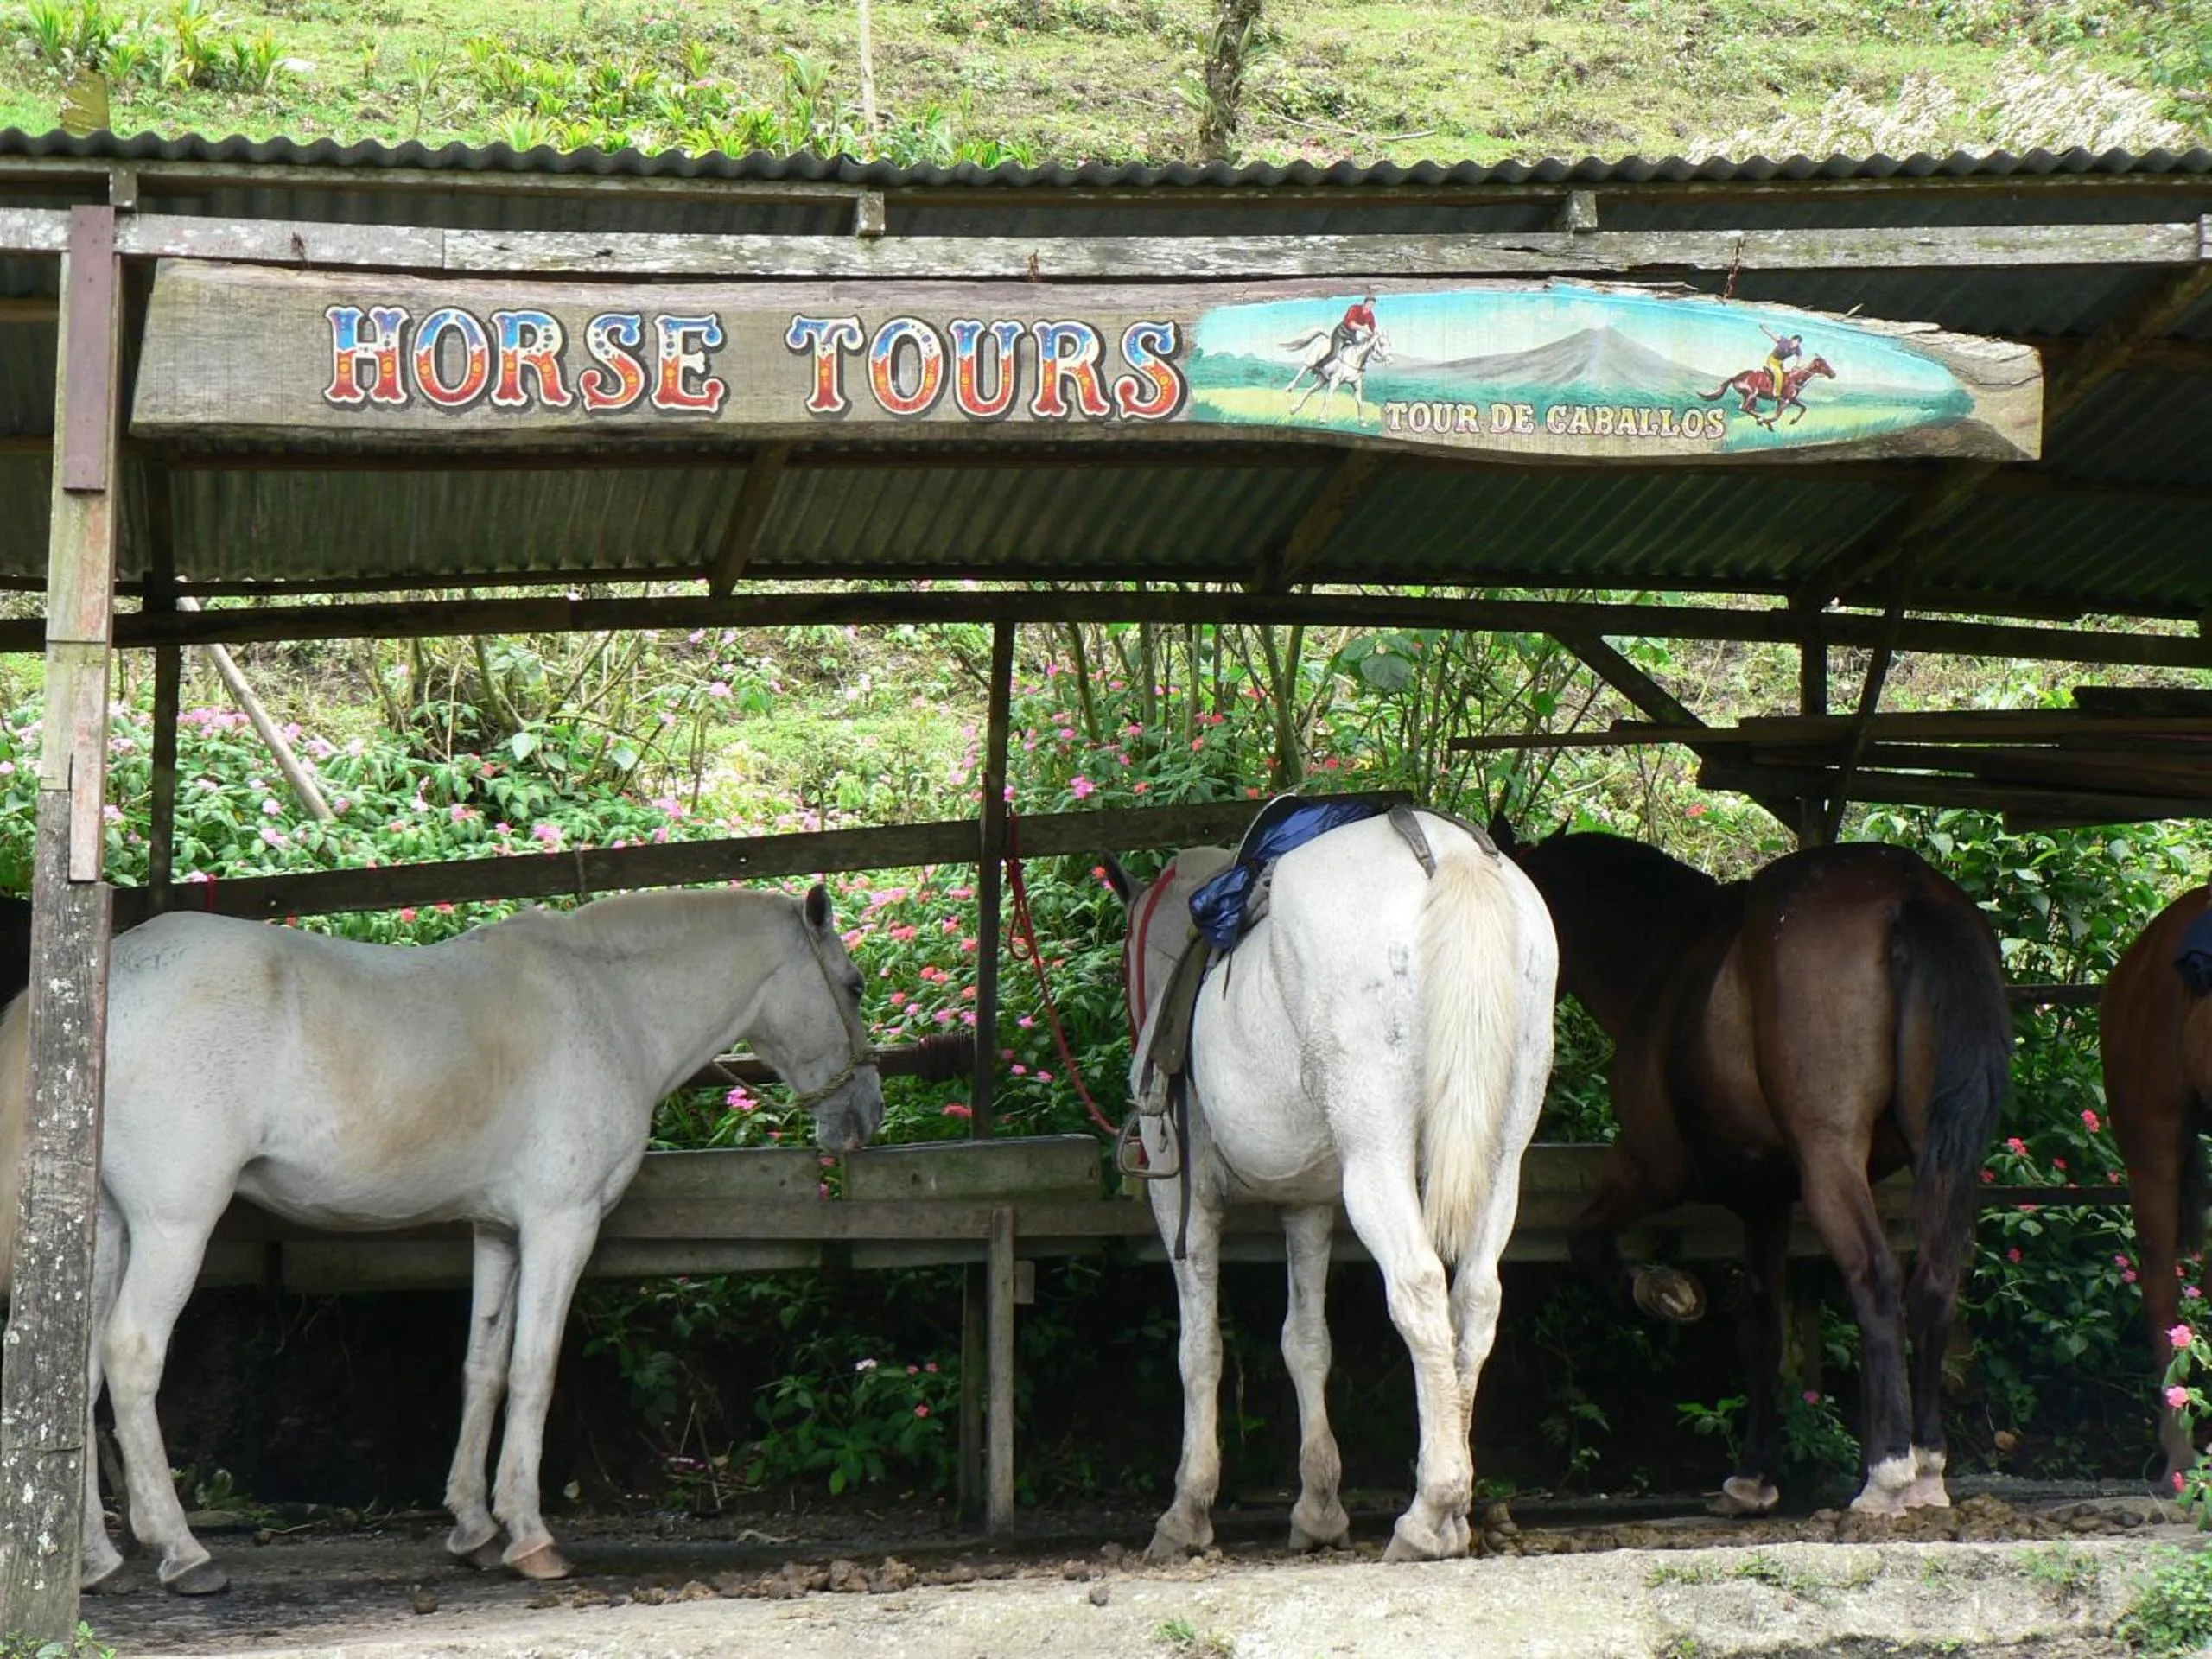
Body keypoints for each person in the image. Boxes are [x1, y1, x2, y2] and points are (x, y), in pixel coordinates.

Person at [1760, 325, 1803, 400]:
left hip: (1780, 363)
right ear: (1792, 340)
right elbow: (1772, 334)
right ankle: (1776, 394)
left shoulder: (1797, 349)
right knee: (1779, 374)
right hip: (1772, 360)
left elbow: (1800, 357)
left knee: (1784, 377)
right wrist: (1764, 328)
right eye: (1795, 341)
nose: (1795, 344)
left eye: (1797, 343)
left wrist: (1797, 366)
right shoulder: (1783, 341)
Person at [1331, 294, 1379, 359]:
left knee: (1357, 352)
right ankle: (1318, 367)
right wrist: (1363, 329)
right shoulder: (1355, 308)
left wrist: (1374, 334)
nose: (1370, 306)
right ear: (1365, 303)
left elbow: (1373, 328)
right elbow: (1351, 324)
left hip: (1352, 335)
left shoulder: (1370, 315)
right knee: (1334, 354)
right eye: (1369, 303)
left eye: (1372, 304)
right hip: (1341, 332)